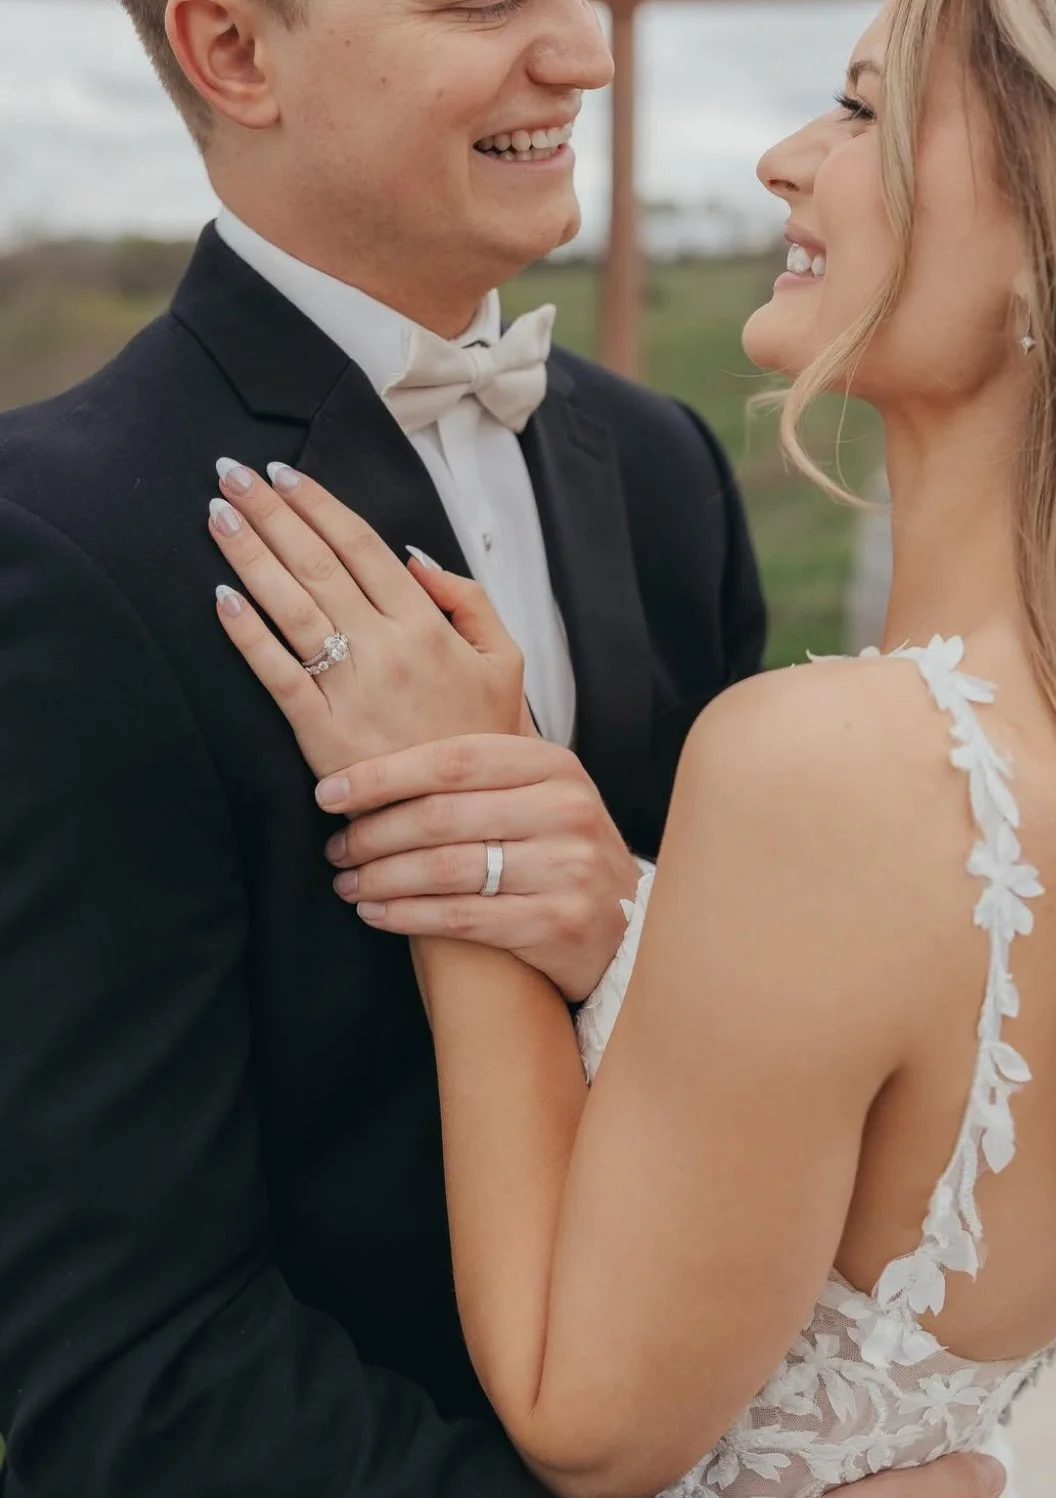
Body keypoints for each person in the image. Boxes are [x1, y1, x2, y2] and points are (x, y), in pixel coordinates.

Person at [202, 0, 1056, 1493]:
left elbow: (585, 1415)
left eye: (863, 112)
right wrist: (622, 921)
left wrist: (455, 813)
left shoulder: (824, 764)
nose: (783, 160)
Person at [0, 0, 999, 1494]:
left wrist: (622, 909)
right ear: (234, 51)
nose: (585, 55)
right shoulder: (52, 546)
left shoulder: (660, 468)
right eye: (481, 1)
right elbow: (129, 1361)